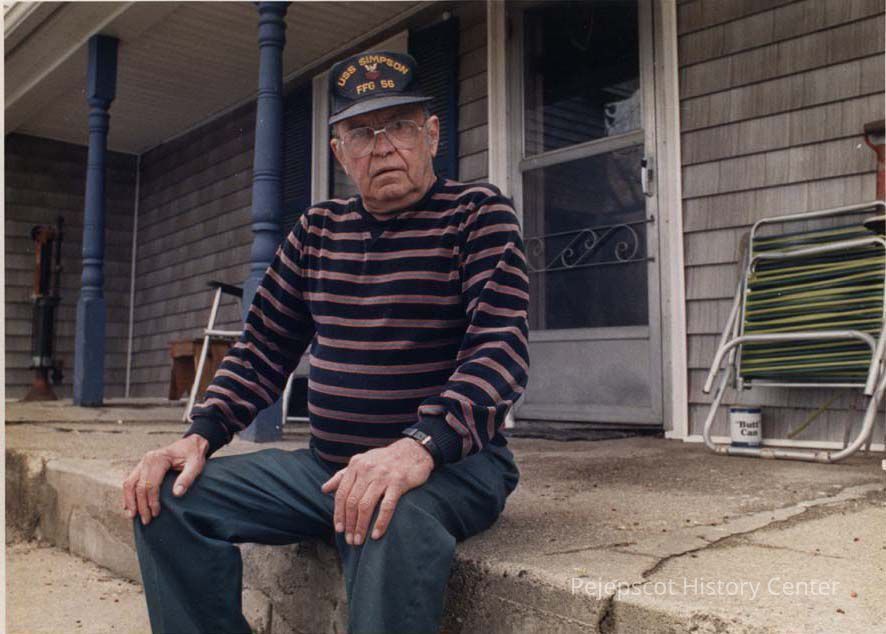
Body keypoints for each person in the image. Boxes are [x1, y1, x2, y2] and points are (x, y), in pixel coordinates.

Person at [123, 50, 529, 634]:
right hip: (327, 467)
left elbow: (499, 351)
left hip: (451, 464)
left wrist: (418, 447)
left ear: (432, 135)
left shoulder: (477, 214)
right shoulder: (316, 231)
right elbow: (262, 350)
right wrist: (199, 434)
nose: (382, 147)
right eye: (361, 133)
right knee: (165, 497)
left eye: (400, 126)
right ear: (339, 152)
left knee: (388, 509)